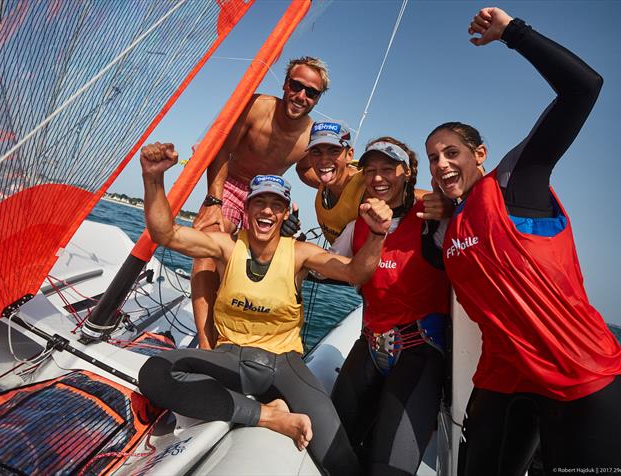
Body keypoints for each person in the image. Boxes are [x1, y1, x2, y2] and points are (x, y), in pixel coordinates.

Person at [425, 8, 621, 475]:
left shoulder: (514, 183)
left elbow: (584, 88)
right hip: (502, 381)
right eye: (433, 158)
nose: (440, 165)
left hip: (579, 375)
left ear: (480, 154)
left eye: (452, 153)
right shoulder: (446, 225)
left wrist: (512, 34)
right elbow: (430, 260)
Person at [137, 141, 393, 476]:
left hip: (284, 364)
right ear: (247, 208)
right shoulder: (225, 246)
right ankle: (270, 415)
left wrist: (376, 234)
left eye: (276, 205)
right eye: (260, 202)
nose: (267, 211)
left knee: (339, 457)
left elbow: (355, 272)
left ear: (285, 213)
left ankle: (268, 408)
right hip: (230, 356)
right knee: (154, 372)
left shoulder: (300, 253)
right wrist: (153, 179)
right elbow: (165, 233)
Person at [328, 137, 451, 475]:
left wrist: (454, 206)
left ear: (408, 172)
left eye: (387, 169)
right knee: (328, 451)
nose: (378, 177)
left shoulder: (434, 221)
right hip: (369, 346)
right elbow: (320, 265)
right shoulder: (356, 227)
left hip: (420, 353)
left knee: (388, 468)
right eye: (370, 171)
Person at [191, 57, 328, 350]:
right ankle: (206, 345)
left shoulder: (309, 135)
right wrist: (214, 201)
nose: (301, 96)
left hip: (266, 197)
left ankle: (247, 338)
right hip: (230, 183)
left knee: (261, 267)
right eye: (296, 86)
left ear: (318, 98)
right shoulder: (256, 107)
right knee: (207, 247)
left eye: (311, 92)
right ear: (285, 84)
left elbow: (304, 169)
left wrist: (328, 182)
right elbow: (222, 149)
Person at [306, 120, 450, 245]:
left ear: (349, 155)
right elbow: (302, 168)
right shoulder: (318, 179)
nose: (324, 160)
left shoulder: (367, 184)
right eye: (316, 152)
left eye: (333, 151)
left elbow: (408, 193)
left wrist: (448, 205)